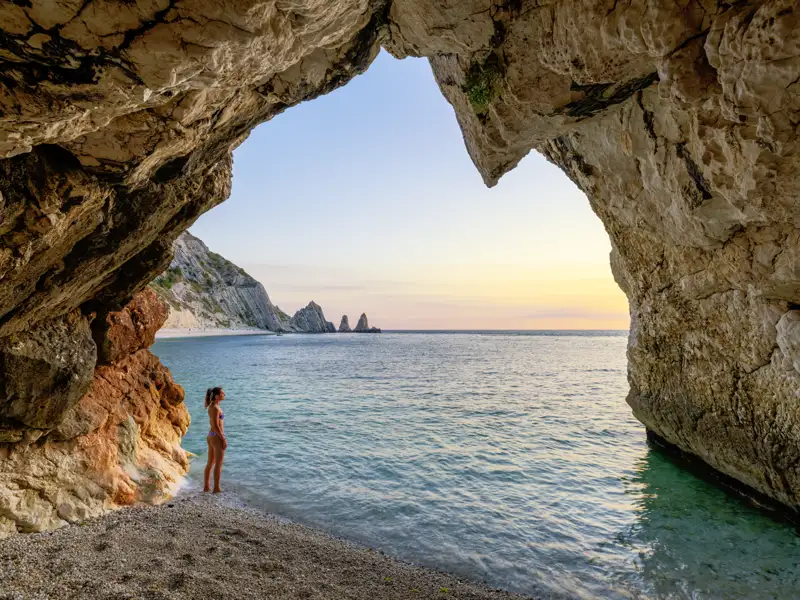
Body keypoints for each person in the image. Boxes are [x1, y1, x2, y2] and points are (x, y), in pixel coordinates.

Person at [203, 386, 227, 493]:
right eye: (222, 393)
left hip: (211, 435)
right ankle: (216, 488)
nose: (224, 394)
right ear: (217, 396)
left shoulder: (213, 406)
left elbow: (214, 426)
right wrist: (223, 439)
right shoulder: (216, 408)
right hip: (216, 436)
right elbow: (216, 426)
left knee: (210, 463)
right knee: (218, 463)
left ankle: (206, 487)